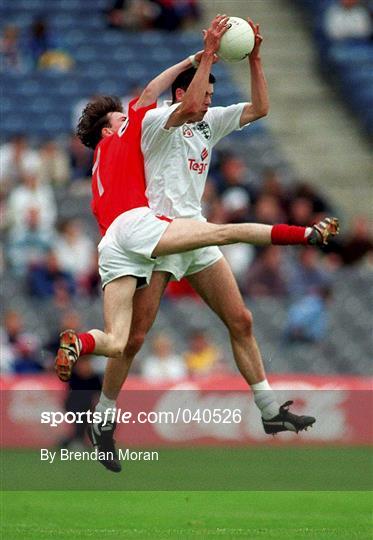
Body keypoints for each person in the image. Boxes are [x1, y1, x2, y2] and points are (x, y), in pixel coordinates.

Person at [55, 15, 339, 472]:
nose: (210, 99)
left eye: (210, 95)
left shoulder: (209, 121)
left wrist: (256, 59)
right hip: (159, 234)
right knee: (136, 337)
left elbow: (260, 109)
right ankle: (104, 420)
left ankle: (268, 411)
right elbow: (181, 105)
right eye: (204, 92)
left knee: (241, 319)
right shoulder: (157, 122)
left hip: (192, 233)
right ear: (183, 94)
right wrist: (205, 54)